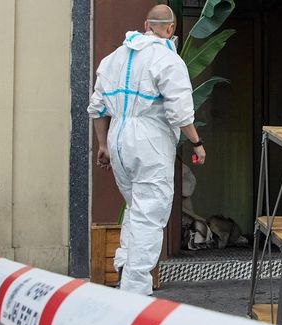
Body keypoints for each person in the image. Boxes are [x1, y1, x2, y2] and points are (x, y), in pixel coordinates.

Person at [88, 4, 206, 296]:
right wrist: (197, 143)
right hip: (149, 140)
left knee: (135, 209)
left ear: (145, 24)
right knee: (149, 212)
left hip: (118, 139)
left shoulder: (112, 59)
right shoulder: (167, 59)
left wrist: (103, 145)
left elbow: (97, 107)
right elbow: (179, 111)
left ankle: (125, 271)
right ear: (170, 29)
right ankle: (136, 290)